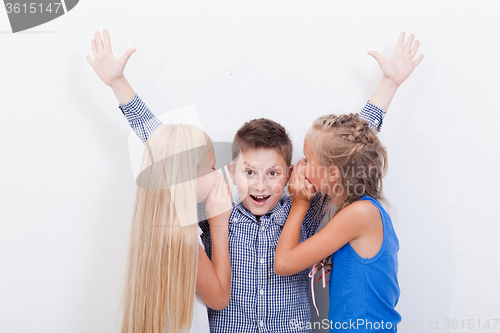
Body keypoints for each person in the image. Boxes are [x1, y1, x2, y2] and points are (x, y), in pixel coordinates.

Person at [87, 29, 422, 333]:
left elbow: (346, 152)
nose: (260, 185)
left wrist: (389, 85)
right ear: (231, 173)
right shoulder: (215, 214)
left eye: (273, 173)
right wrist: (119, 85)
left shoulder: (308, 210)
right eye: (250, 172)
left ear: (293, 174)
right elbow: (168, 151)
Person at [117, 123, 232, 333]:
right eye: (213, 167)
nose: (218, 175)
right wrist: (218, 224)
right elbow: (219, 298)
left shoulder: (151, 228)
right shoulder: (183, 236)